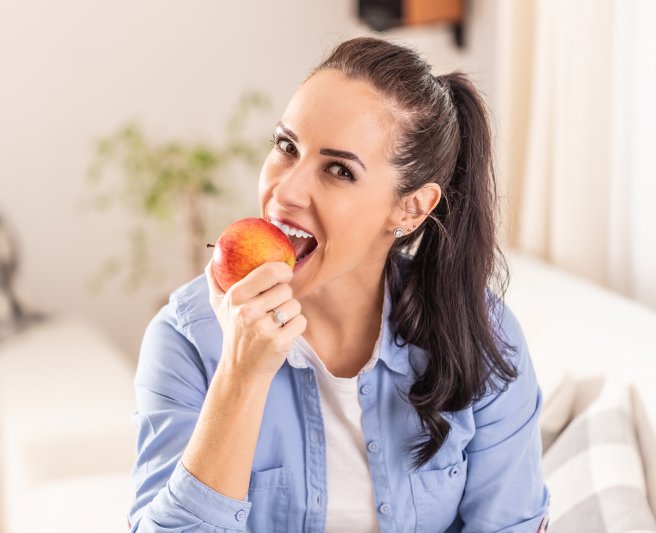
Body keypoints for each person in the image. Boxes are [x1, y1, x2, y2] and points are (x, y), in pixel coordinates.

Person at [128, 37, 550, 532]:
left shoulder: (482, 335)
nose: (285, 191)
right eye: (287, 147)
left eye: (338, 170)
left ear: (410, 208)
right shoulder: (187, 338)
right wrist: (241, 377)